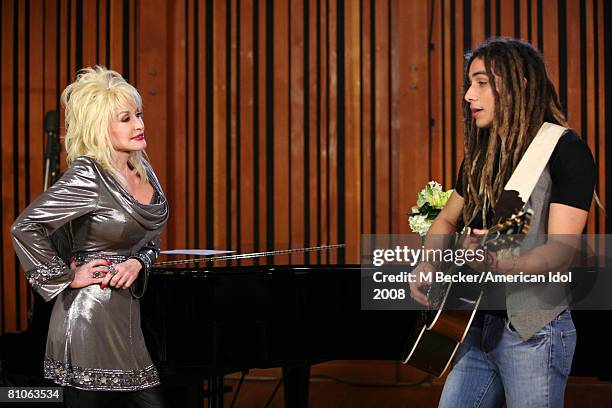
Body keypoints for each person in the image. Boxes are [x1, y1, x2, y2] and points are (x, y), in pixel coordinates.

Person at [409, 38, 596, 407]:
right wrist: (428, 262)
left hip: (534, 331)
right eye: (469, 83)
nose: (467, 95)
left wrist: (504, 264)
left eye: (480, 82)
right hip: (478, 326)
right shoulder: (483, 156)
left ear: (518, 85)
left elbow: (560, 251)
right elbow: (446, 219)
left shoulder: (565, 151)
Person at [11, 66, 169, 407]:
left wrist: (137, 262)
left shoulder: (144, 170)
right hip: (86, 317)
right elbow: (25, 227)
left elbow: (150, 243)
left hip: (128, 316)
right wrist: (66, 276)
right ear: (101, 126)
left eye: (138, 115)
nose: (139, 125)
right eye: (126, 118)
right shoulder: (88, 176)